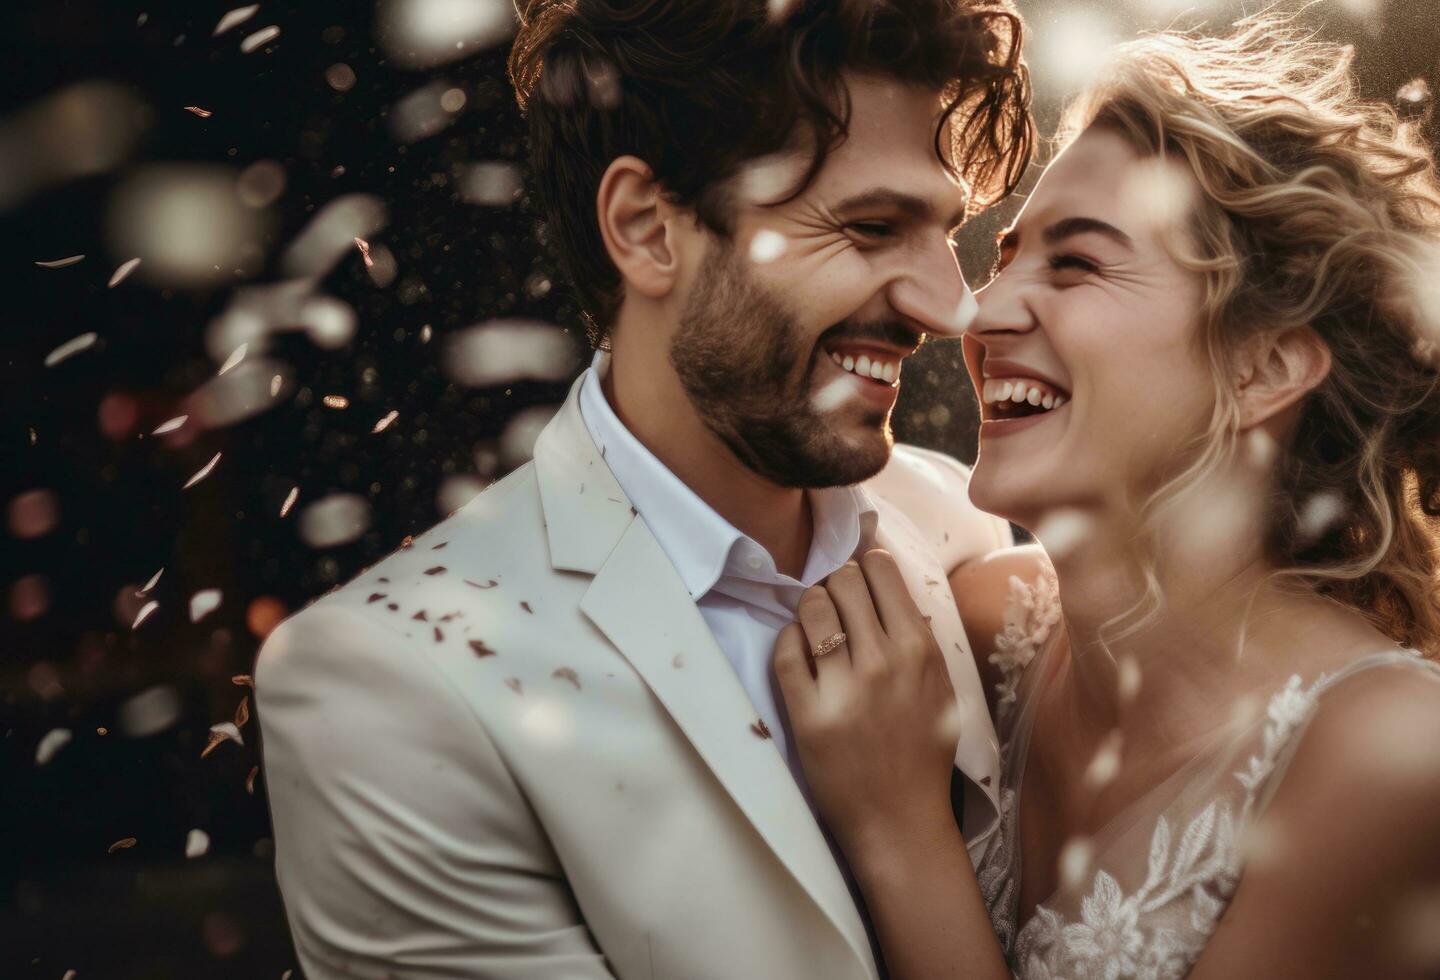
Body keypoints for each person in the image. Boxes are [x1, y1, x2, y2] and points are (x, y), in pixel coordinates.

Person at [778, 17, 1440, 980]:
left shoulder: (1386, 753)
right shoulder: (980, 629)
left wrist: (899, 830)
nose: (980, 312)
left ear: (1266, 364)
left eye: (1074, 262)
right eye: (1005, 257)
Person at [252, 1, 1032, 977]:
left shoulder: (965, 537)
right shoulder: (389, 685)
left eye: (942, 230)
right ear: (646, 227)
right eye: (872, 226)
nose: (947, 302)